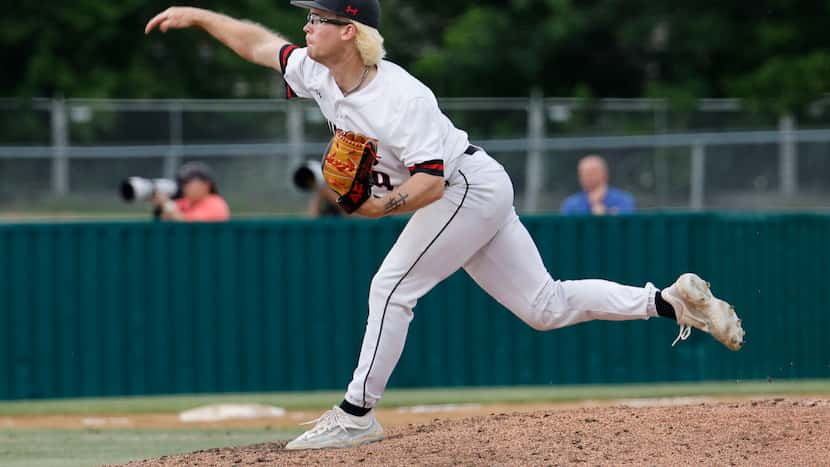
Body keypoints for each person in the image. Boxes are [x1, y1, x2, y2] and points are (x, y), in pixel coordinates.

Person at [145, 1, 745, 450]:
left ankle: (357, 416)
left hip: (463, 186)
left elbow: (430, 182)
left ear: (348, 31)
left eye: (318, 19)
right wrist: (199, 16)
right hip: (473, 184)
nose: (306, 28)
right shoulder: (318, 71)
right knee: (545, 304)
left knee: (392, 286)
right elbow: (257, 45)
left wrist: (374, 208)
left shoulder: (400, 97)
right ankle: (669, 303)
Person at [152, 161, 230, 222]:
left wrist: (166, 204)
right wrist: (160, 203)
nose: (184, 187)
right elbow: (165, 218)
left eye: (188, 182)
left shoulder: (216, 204)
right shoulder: (187, 202)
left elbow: (189, 225)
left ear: (206, 185)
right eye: (182, 183)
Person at [560, 155, 635, 215]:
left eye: (592, 173)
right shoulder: (571, 203)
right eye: (583, 174)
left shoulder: (623, 199)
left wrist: (606, 213)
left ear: (605, 174)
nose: (588, 177)